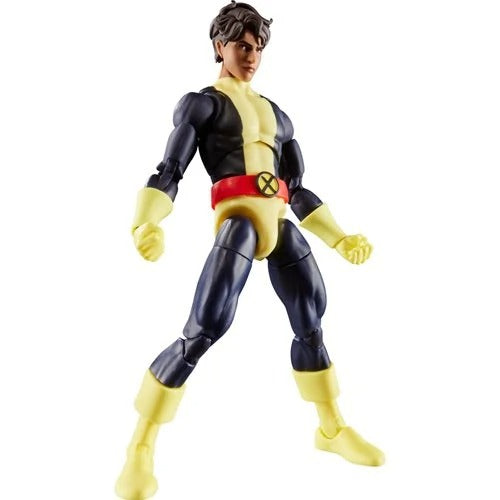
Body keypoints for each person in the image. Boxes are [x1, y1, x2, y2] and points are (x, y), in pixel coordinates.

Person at [116, 2, 384, 498]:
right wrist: (146, 223)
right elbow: (169, 170)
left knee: (311, 320)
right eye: (242, 45)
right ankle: (140, 446)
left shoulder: (279, 115)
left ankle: (331, 428)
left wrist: (340, 237)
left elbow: (296, 188)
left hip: (278, 223)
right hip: (238, 222)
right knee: (204, 329)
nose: (251, 55)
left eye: (258, 47)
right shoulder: (203, 105)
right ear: (219, 46)